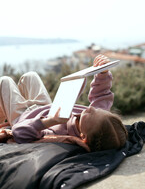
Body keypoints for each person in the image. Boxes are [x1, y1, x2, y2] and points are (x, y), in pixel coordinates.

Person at [0, 54, 128, 151]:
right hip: (45, 107)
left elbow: (19, 133)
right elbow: (102, 95)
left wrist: (51, 121)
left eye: (90, 114)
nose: (90, 109)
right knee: (30, 76)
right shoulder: (100, 116)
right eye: (96, 109)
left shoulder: (59, 134)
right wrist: (103, 73)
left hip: (22, 117)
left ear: (84, 136)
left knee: (4, 81)